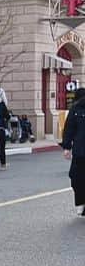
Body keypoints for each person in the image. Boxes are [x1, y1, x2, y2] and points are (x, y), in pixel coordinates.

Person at [61, 85, 85, 217]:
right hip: (80, 150)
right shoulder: (75, 110)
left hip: (80, 151)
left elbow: (69, 129)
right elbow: (69, 129)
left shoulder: (75, 109)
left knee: (76, 177)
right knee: (77, 177)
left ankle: (81, 202)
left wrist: (66, 147)